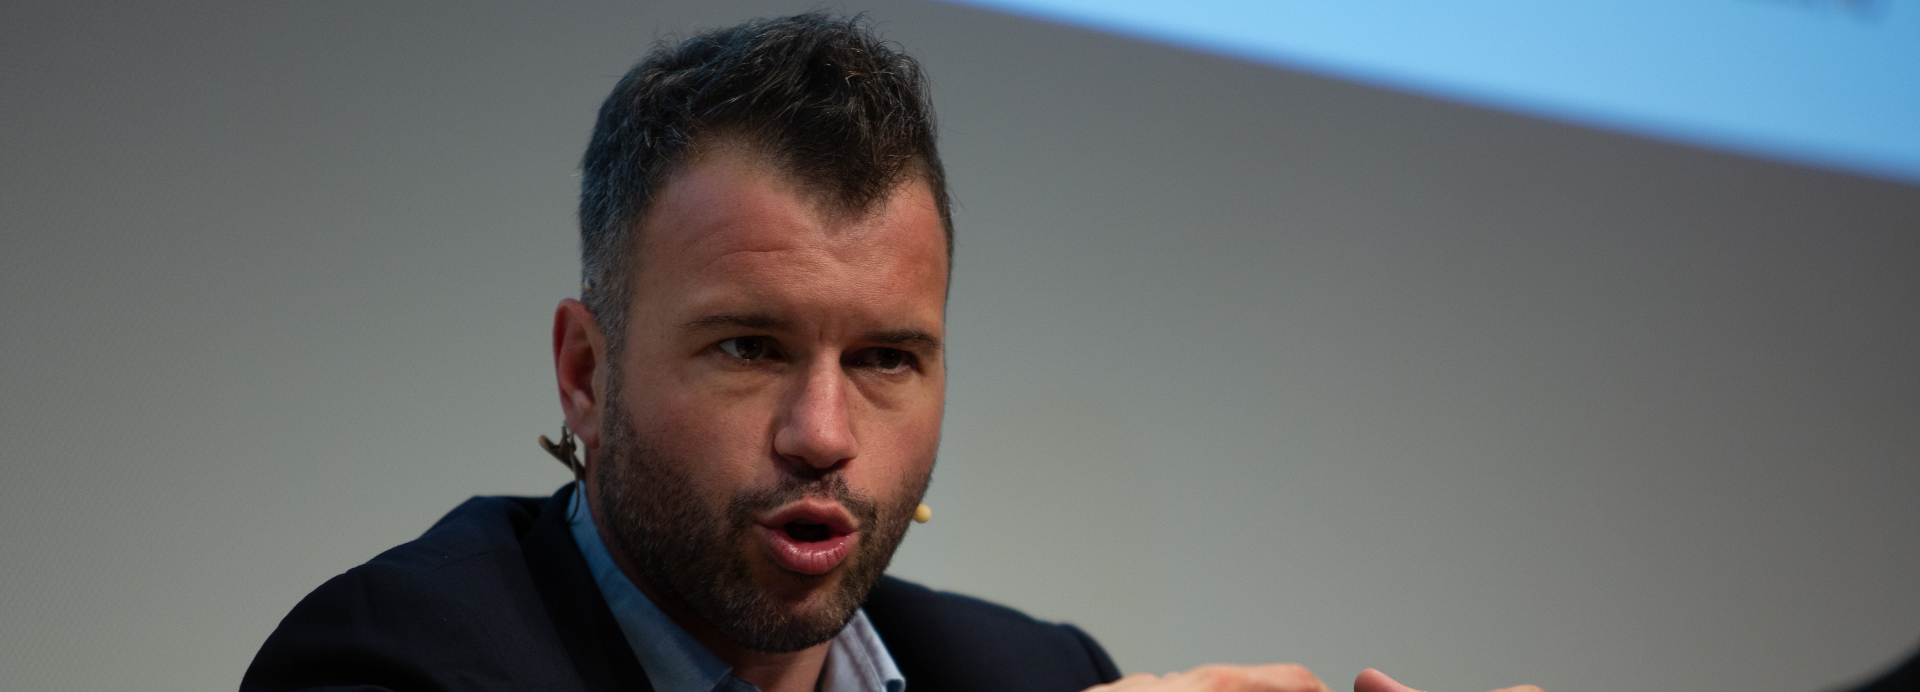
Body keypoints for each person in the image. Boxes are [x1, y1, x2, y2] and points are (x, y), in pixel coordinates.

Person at [241, 13, 1539, 692]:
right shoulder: (388, 663)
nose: (823, 434)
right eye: (750, 347)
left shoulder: (1036, 675)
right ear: (586, 372)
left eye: (886, 360)